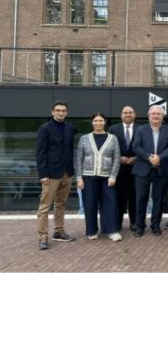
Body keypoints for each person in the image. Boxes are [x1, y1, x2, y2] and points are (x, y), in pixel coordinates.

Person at [36, 100, 77, 250]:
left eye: (63, 110)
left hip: (67, 172)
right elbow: (40, 153)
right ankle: (43, 237)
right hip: (50, 174)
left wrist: (71, 169)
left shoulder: (70, 127)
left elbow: (69, 149)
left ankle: (59, 232)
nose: (61, 113)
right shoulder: (45, 129)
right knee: (44, 206)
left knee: (61, 204)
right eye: (58, 110)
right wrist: (43, 174)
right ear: (52, 112)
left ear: (67, 112)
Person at [75, 112, 122, 241]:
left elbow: (116, 159)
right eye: (96, 121)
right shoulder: (84, 138)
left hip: (107, 177)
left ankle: (112, 231)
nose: (98, 123)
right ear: (92, 122)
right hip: (88, 177)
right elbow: (79, 159)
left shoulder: (112, 138)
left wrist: (113, 176)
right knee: (90, 204)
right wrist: (79, 178)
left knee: (111, 202)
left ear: (105, 122)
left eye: (101, 120)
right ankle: (92, 231)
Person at [132, 105, 168, 236]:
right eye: (153, 114)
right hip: (143, 169)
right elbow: (136, 147)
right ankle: (140, 226)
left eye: (158, 114)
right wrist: (149, 157)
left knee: (158, 199)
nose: (155, 116)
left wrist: (159, 157)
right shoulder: (140, 130)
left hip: (162, 169)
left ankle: (155, 225)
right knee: (141, 199)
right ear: (149, 116)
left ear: (163, 116)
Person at [109, 105, 139, 231]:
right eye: (125, 112)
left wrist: (136, 158)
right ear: (121, 115)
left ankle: (134, 222)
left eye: (130, 112)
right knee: (119, 197)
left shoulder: (141, 129)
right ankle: (118, 222)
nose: (128, 114)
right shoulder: (113, 129)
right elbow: (109, 148)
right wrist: (118, 157)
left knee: (135, 197)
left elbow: (146, 146)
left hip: (136, 169)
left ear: (134, 115)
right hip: (119, 170)